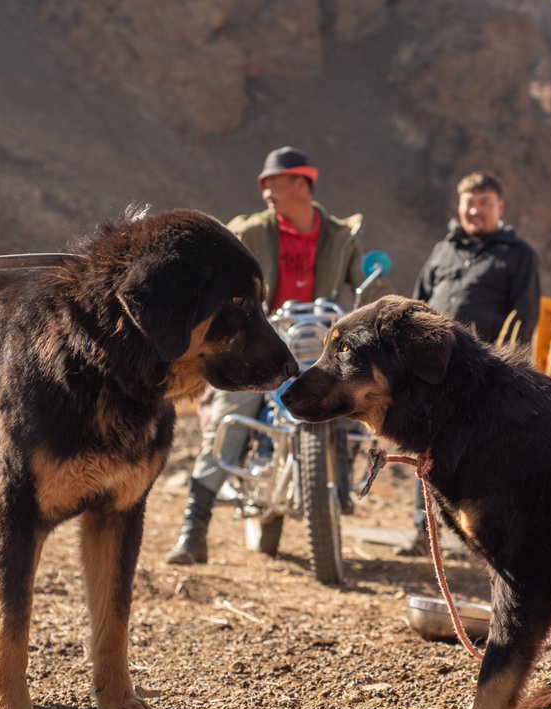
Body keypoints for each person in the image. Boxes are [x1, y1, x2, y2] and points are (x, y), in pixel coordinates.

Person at [167, 146, 391, 564]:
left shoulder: (340, 236)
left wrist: (382, 308)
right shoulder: (249, 231)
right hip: (260, 342)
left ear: (302, 183)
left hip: (319, 341)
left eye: (275, 182)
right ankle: (193, 530)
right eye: (263, 183)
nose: (265, 190)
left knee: (357, 403)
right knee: (232, 418)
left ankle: (341, 480)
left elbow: (365, 283)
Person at [403, 171, 541, 555]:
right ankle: (423, 531)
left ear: (499, 207)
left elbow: (524, 317)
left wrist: (505, 374)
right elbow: (417, 304)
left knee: (478, 454)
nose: (474, 210)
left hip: (483, 375)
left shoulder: (517, 254)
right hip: (431, 372)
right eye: (468, 202)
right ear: (459, 204)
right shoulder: (442, 251)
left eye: (484, 202)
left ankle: (476, 537)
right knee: (424, 447)